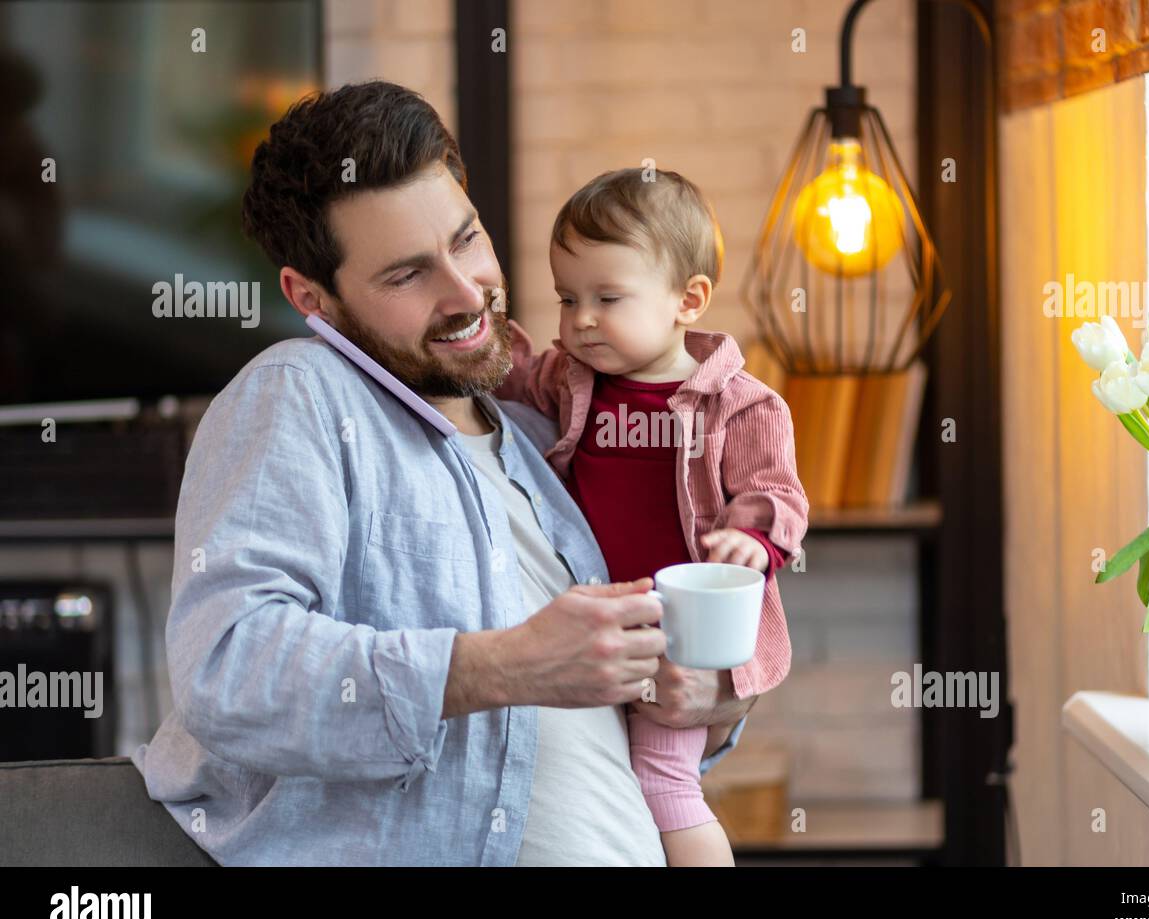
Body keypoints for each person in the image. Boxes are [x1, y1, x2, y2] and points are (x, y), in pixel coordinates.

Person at [131, 80, 755, 866]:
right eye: (405, 275)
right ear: (312, 299)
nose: (467, 294)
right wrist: (503, 666)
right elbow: (230, 669)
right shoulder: (300, 393)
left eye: (465, 239)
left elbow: (626, 726)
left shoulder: (543, 430)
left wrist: (716, 702)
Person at [499, 168, 808, 865]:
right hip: (604, 616)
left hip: (685, 628)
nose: (580, 318)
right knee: (615, 786)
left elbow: (778, 496)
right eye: (567, 297)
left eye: (607, 298)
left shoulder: (742, 405)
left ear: (687, 300)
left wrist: (751, 538)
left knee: (665, 783)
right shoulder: (571, 379)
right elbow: (508, 372)